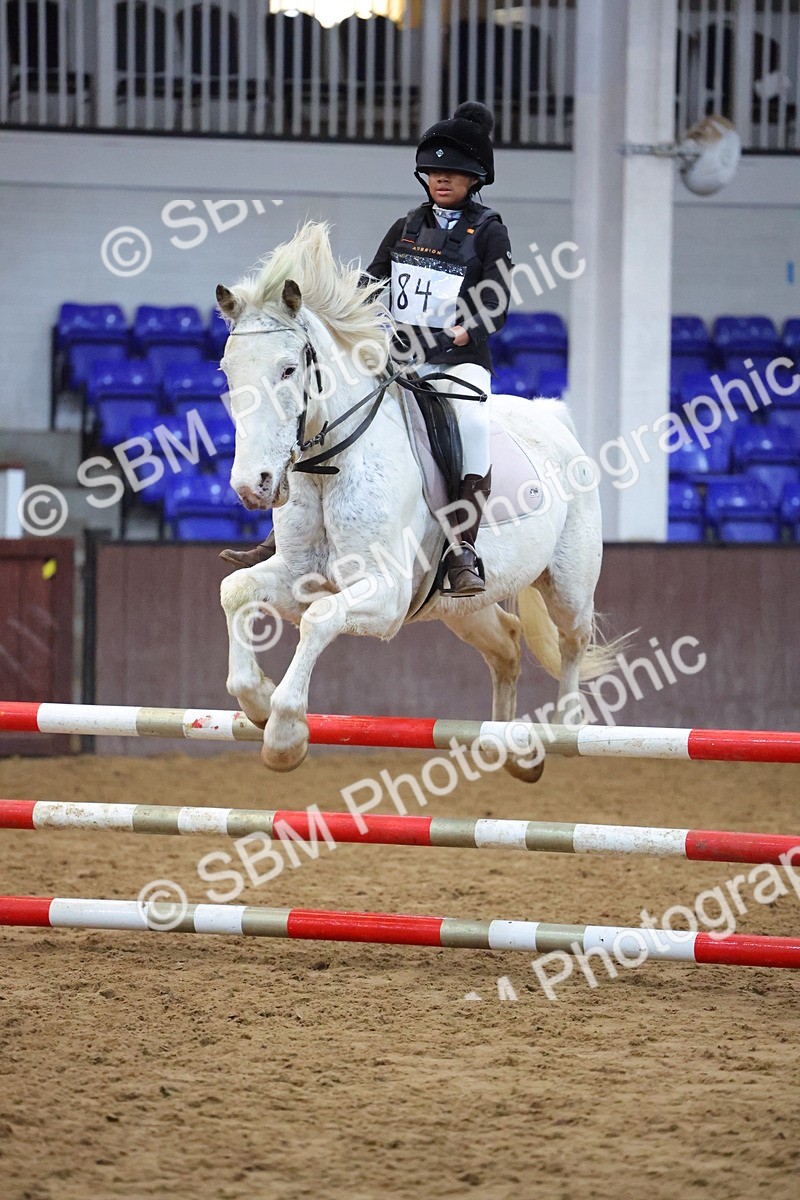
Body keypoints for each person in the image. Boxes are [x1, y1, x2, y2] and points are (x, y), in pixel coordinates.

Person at [221, 101, 513, 597]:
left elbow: (497, 301)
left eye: (453, 173)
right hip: (398, 359)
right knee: (322, 411)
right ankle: (285, 537)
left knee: (474, 429)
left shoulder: (488, 231)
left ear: (475, 178)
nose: (442, 179)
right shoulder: (406, 227)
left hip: (457, 363)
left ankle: (462, 548)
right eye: (434, 171)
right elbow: (370, 285)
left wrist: (462, 332)